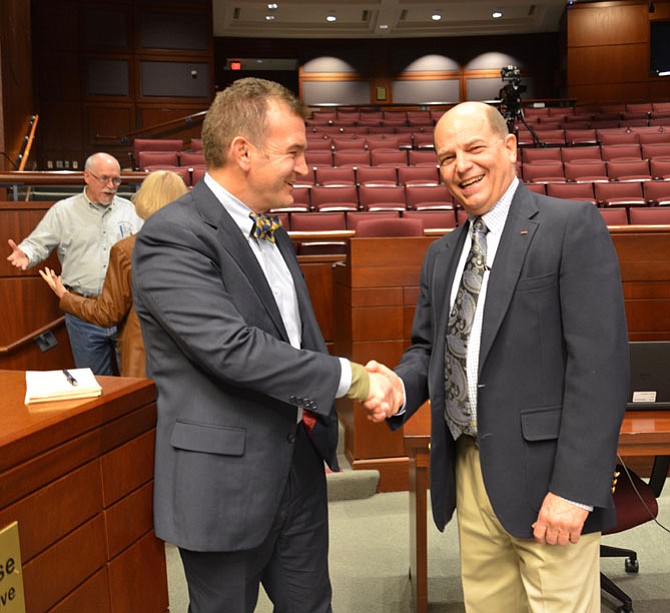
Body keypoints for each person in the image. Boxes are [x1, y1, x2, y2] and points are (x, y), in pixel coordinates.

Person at [131, 77, 394, 613]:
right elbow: (232, 349)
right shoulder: (172, 235)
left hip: (297, 468)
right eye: (293, 152)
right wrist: (357, 378)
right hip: (222, 482)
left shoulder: (272, 228)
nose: (304, 166)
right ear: (243, 152)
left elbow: (296, 340)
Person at [366, 101, 629, 612]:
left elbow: (600, 369)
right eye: (446, 157)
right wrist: (400, 386)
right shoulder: (442, 254)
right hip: (470, 469)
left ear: (509, 147)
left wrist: (575, 490)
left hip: (548, 475)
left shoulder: (569, 226)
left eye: (474, 148)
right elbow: (428, 350)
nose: (460, 165)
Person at [38, 170, 188, 378]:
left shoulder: (127, 250)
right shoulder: (202, 244)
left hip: (146, 361)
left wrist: (66, 297)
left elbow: (108, 313)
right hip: (191, 358)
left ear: (144, 199)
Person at [7, 152, 143, 375]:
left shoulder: (130, 210)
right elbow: (37, 243)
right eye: (105, 179)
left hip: (125, 313)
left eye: (117, 180)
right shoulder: (64, 211)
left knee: (133, 385)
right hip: (83, 313)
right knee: (94, 384)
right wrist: (27, 254)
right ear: (87, 177)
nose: (112, 186)